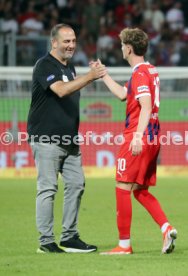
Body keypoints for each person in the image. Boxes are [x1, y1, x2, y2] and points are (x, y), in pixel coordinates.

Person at [94, 28, 177, 254]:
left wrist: (137, 136)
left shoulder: (140, 73)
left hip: (137, 135)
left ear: (128, 48)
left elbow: (147, 106)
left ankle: (124, 245)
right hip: (154, 136)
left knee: (122, 187)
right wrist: (103, 75)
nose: (121, 48)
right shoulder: (150, 70)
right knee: (140, 190)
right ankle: (166, 228)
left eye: (122, 45)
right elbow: (124, 95)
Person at [27, 23, 106, 254]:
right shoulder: (45, 65)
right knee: (48, 188)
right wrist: (90, 76)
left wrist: (89, 76)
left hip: (70, 141)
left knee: (76, 184)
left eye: (73, 41)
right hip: (46, 138)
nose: (71, 45)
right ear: (54, 42)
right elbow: (61, 90)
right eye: (66, 41)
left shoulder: (69, 68)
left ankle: (69, 237)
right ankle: (46, 241)